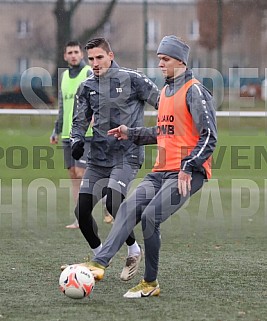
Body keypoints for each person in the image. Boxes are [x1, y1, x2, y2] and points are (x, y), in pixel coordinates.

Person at [79, 35, 218, 298]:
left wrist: (188, 167)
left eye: (165, 60)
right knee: (128, 207)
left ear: (181, 61)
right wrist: (130, 132)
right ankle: (99, 263)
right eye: (159, 60)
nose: (160, 65)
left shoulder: (194, 90)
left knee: (150, 217)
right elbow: (163, 132)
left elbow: (209, 136)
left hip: (186, 173)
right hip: (160, 170)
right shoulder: (165, 91)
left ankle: (150, 282)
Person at [68, 37, 159, 280]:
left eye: (99, 57)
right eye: (91, 59)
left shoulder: (133, 79)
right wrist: (76, 141)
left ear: (111, 55)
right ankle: (99, 258)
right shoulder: (86, 87)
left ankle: (133, 250)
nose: (95, 63)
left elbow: (164, 103)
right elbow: (78, 122)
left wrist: (164, 131)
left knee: (113, 201)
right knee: (82, 212)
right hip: (98, 159)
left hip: (127, 155)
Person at [50, 40, 93, 229]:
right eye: (70, 52)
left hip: (85, 133)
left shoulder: (88, 73)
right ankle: (79, 217)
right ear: (65, 56)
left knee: (82, 173)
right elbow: (62, 106)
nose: (74, 55)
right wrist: (56, 129)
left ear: (81, 54)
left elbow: (97, 100)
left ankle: (92, 211)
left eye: (77, 51)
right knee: (73, 175)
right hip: (68, 133)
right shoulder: (65, 76)